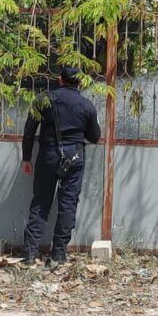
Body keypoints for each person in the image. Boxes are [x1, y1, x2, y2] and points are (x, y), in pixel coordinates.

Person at [20, 66, 101, 269]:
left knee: (40, 202)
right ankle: (59, 254)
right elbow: (95, 137)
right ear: (80, 83)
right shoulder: (87, 105)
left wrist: (26, 157)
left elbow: (29, 130)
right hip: (74, 156)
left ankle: (30, 253)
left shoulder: (43, 100)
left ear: (60, 80)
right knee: (68, 203)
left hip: (48, 154)